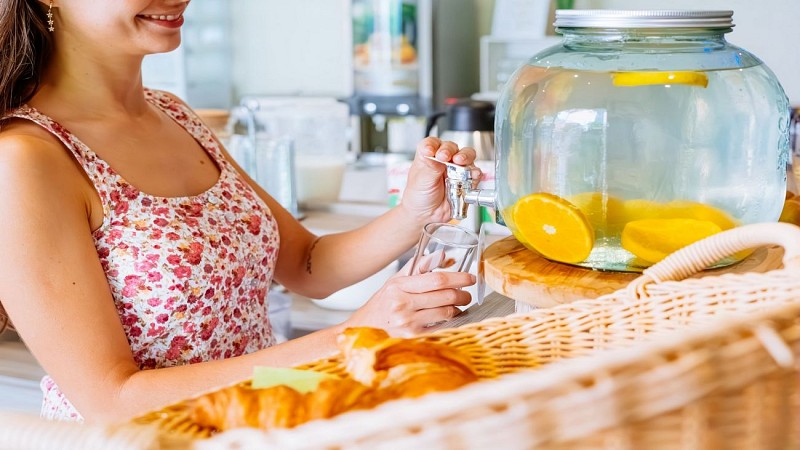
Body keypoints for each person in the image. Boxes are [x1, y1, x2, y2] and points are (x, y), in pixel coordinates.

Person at [0, 0, 481, 423]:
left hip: (256, 421)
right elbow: (112, 400)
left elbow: (307, 264)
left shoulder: (175, 115)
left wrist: (416, 213)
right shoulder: (25, 159)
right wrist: (356, 333)